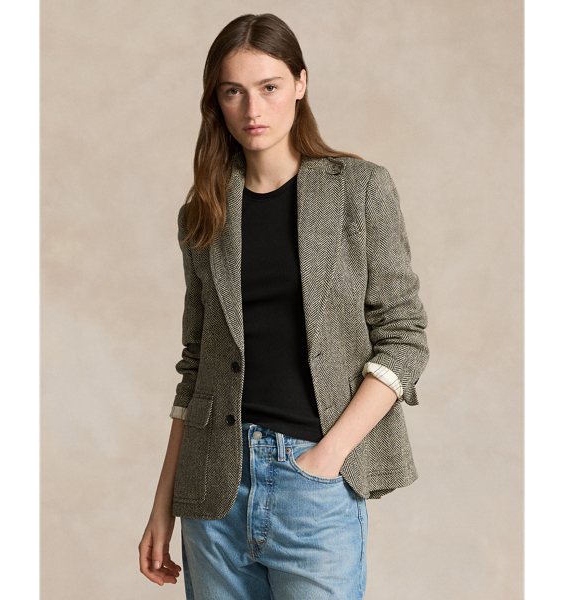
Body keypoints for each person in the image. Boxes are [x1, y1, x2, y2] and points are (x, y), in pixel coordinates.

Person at [139, 12, 429, 600]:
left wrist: (329, 456)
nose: (253, 109)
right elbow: (196, 367)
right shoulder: (204, 214)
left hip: (313, 484)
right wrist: (162, 505)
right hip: (213, 490)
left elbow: (404, 338)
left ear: (300, 83)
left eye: (269, 87)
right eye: (233, 92)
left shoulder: (359, 190)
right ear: (216, 102)